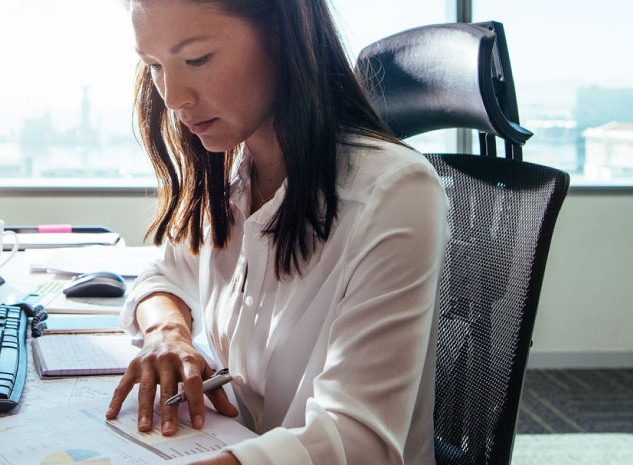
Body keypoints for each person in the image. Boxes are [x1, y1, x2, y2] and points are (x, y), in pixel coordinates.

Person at [104, 0, 449, 464]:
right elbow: (160, 279)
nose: (172, 97)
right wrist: (167, 333)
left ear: (284, 35)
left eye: (197, 59)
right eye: (153, 66)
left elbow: (359, 442)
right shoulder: (236, 178)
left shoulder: (393, 192)